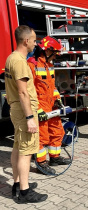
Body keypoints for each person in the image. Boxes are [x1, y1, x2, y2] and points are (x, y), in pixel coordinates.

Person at [5, 25, 47, 203]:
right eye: (34, 40)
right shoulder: (20, 62)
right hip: (24, 112)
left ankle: (17, 183)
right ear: (26, 41)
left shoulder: (11, 58)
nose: (35, 44)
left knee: (18, 147)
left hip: (16, 109)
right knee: (26, 151)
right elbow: (23, 92)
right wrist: (30, 118)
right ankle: (24, 191)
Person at [27, 36, 71, 175]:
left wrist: (57, 99)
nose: (56, 56)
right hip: (40, 108)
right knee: (42, 136)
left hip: (51, 106)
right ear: (47, 51)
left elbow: (52, 87)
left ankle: (55, 158)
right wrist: (37, 109)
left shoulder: (49, 65)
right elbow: (28, 90)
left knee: (57, 131)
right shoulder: (31, 65)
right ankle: (41, 163)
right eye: (55, 53)